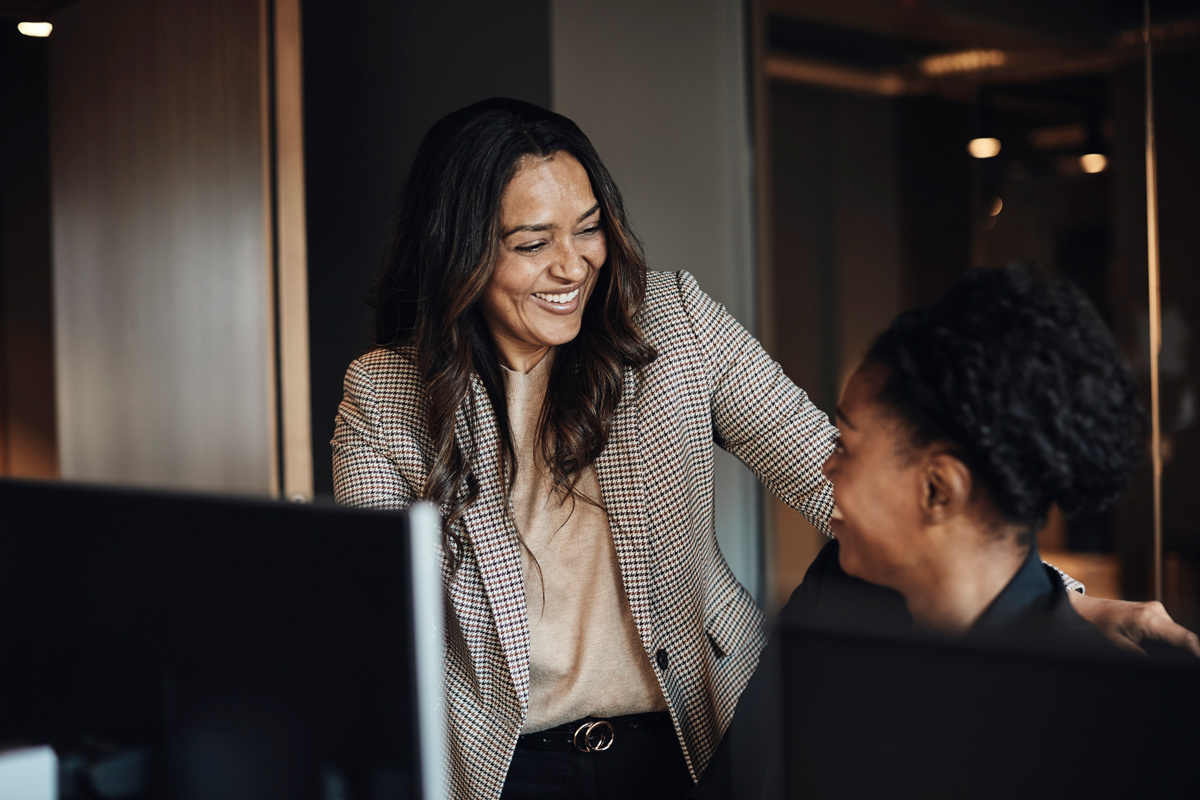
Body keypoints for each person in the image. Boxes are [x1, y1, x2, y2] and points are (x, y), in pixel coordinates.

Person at [331, 98, 1197, 800]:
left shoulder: (671, 325)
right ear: (459, 251)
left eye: (589, 228)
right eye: (531, 243)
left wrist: (1065, 606)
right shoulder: (386, 396)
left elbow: (853, 485)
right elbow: (375, 631)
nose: (574, 266)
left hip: (692, 739)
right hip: (505, 766)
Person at [692, 266, 1195, 800]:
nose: (826, 468)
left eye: (847, 447)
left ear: (939, 489)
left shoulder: (1093, 710)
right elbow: (737, 783)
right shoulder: (833, 592)